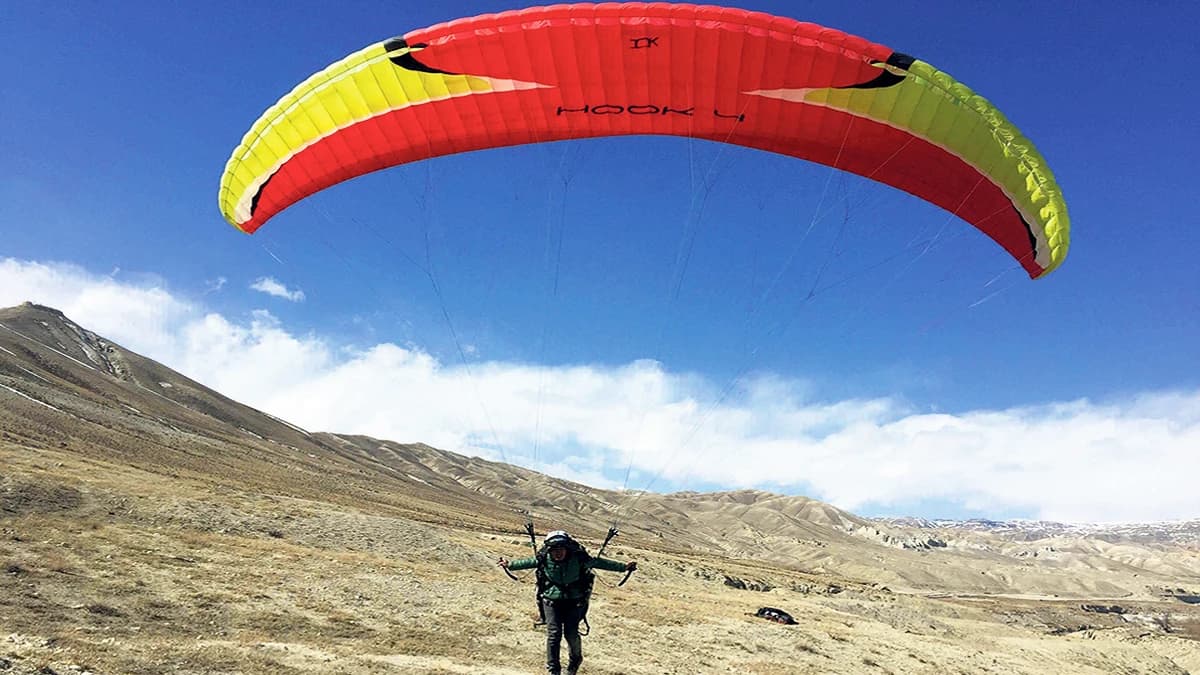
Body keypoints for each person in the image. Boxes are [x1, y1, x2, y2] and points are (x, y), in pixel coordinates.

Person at [498, 530, 637, 675]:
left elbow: (599, 562)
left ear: (567, 549)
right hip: (551, 599)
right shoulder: (544, 557)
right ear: (549, 550)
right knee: (554, 634)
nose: (558, 553)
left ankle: (575, 662)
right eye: (554, 550)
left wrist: (624, 567)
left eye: (561, 550)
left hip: (574, 601)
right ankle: (553, 670)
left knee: (571, 634)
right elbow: (528, 562)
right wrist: (510, 565)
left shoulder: (579, 557)